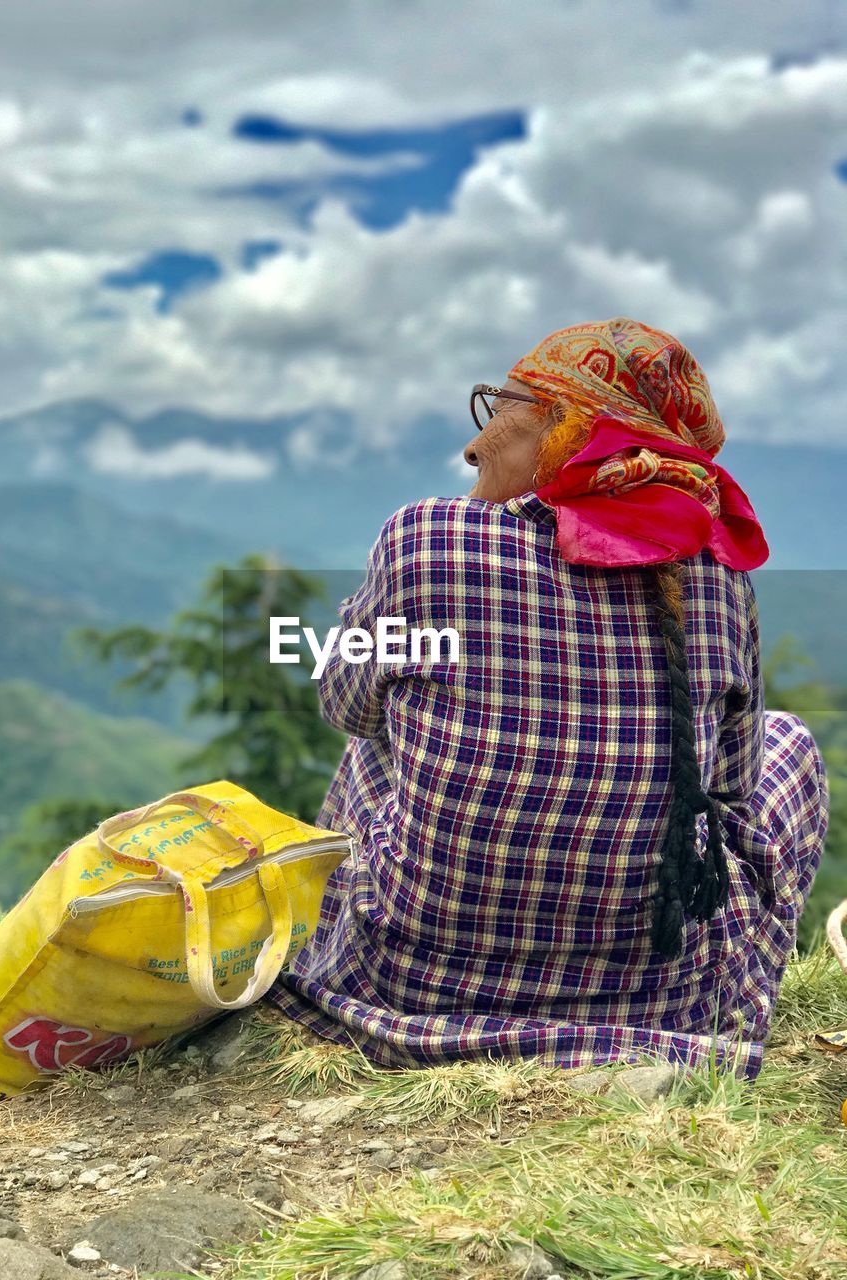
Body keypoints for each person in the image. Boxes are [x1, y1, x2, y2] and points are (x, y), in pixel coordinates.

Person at [262, 317, 830, 1080]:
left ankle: (343, 947)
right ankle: (717, 1006)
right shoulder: (721, 582)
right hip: (659, 1002)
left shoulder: (426, 537)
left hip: (408, 985)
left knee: (378, 729)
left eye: (501, 407)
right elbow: (726, 789)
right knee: (787, 744)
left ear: (566, 430)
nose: (476, 443)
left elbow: (343, 704)